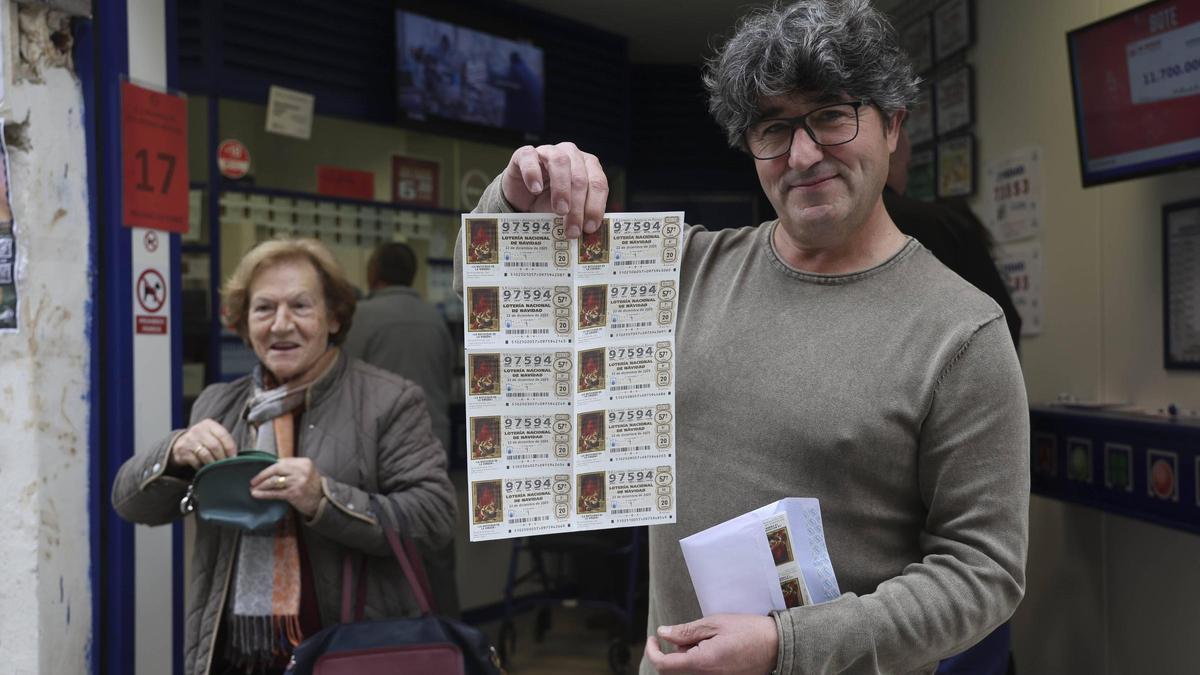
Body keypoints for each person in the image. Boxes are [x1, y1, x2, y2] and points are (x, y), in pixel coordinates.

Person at [454, 1, 1029, 673]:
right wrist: (517, 195)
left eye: (832, 116)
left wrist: (787, 645)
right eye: (774, 127)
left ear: (893, 123)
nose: (803, 153)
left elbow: (984, 573)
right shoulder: (680, 271)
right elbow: (490, 307)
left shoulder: (962, 332)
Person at [113, 238, 456, 675]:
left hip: (348, 655)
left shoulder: (389, 401)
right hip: (236, 659)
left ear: (333, 317)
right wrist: (176, 452)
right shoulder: (218, 405)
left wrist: (324, 499)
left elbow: (435, 518)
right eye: (263, 309)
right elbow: (128, 503)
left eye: (300, 306)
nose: (281, 325)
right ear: (243, 323)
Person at [342, 241, 461, 619]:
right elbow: (447, 378)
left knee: (381, 551)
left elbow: (339, 383)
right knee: (436, 550)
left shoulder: (360, 317)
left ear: (372, 274)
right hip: (435, 447)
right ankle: (448, 643)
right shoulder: (434, 318)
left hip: (378, 454)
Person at [884, 124, 1023, 350]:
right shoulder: (939, 227)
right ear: (890, 158)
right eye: (907, 167)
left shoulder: (822, 229)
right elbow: (1003, 324)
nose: (907, 181)